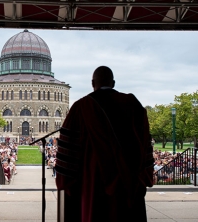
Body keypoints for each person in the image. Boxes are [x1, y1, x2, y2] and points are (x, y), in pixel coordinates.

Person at [55, 66, 154, 222]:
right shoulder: (134, 105)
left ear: (93, 83)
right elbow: (145, 144)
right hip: (130, 183)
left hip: (94, 183)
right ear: (113, 83)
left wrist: (64, 181)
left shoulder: (82, 107)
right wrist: (144, 176)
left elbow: (67, 151)